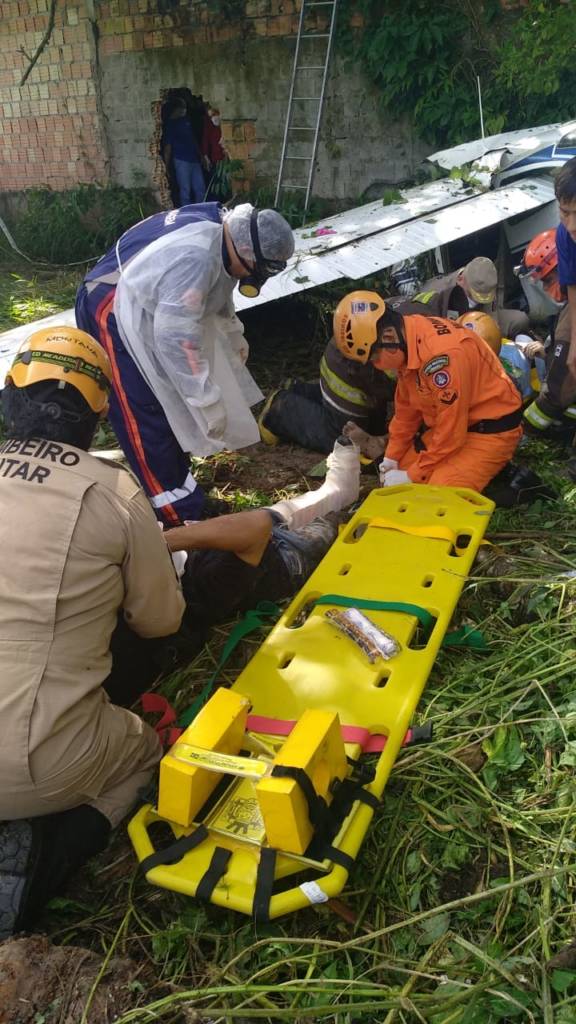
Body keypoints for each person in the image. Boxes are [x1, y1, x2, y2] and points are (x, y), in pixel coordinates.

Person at [0, 326, 359, 939]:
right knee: (142, 754)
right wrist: (162, 544)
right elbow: (163, 620)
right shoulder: (112, 494)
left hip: (208, 559)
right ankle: (45, 852)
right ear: (98, 416)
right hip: (43, 755)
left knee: (293, 525)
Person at [75, 202, 294, 525]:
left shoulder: (226, 228)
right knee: (143, 409)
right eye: (253, 270)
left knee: (169, 401)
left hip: (145, 296)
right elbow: (176, 337)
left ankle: (184, 491)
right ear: (246, 250)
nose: (250, 278)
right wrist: (205, 399)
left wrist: (233, 333)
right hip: (109, 304)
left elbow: (217, 287)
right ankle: (176, 517)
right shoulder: (196, 258)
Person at [333, 291, 523, 491]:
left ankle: (503, 482)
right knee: (400, 475)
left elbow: (452, 431)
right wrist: (392, 457)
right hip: (453, 426)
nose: (377, 365)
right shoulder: (408, 339)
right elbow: (406, 411)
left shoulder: (441, 358)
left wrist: (412, 475)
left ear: (388, 337)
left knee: (435, 493)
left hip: (489, 431)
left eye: (374, 359)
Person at [514, 229, 576, 436]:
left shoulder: (571, 317)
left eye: (547, 280)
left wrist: (524, 428)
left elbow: (559, 387)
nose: (545, 288)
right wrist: (548, 353)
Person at [419, 256, 530, 339]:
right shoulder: (437, 292)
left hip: (481, 319)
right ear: (460, 280)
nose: (477, 300)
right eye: (473, 295)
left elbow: (492, 313)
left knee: (520, 319)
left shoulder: (486, 279)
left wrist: (492, 333)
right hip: (450, 330)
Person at [162, 97, 207, 207]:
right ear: (176, 109)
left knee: (200, 188)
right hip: (181, 160)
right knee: (185, 190)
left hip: (194, 159)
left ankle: (202, 211)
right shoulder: (171, 125)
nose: (184, 110)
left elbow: (193, 139)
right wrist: (166, 166)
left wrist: (201, 155)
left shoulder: (186, 120)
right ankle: (186, 213)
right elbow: (168, 147)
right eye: (182, 108)